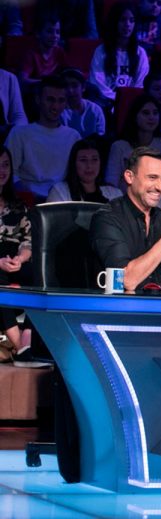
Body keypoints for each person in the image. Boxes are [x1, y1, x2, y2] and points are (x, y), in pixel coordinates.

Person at [90, 146, 161, 292]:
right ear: (129, 177)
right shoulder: (107, 218)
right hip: (116, 304)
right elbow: (126, 281)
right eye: (152, 178)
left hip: (156, 303)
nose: (160, 187)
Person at [0, 146, 43, 367]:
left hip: (14, 259)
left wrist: (21, 258)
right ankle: (20, 347)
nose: (2, 170)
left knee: (40, 273)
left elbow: (28, 241)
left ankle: (27, 338)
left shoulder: (19, 205)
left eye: (6, 165)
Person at [4, 75, 80, 200]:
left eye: (61, 100)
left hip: (62, 199)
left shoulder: (73, 136)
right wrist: (27, 195)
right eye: (50, 100)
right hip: (26, 200)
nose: (55, 106)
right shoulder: (19, 134)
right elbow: (10, 172)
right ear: (38, 99)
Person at [105, 94, 161, 188]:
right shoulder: (119, 146)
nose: (151, 117)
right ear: (134, 116)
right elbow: (111, 183)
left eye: (155, 113)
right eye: (146, 113)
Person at [88, 2, 150, 105]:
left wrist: (127, 99)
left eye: (131, 20)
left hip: (132, 103)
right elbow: (97, 83)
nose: (127, 24)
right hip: (105, 102)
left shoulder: (140, 53)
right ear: (114, 22)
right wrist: (117, 99)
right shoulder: (101, 51)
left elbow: (141, 83)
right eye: (123, 20)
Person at [46, 139, 122, 203]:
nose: (89, 165)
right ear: (74, 163)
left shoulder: (115, 194)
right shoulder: (60, 191)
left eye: (94, 159)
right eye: (83, 160)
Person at [19, 14, 65, 86]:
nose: (55, 36)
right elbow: (22, 80)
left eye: (57, 32)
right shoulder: (31, 54)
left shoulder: (59, 52)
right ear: (38, 34)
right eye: (49, 31)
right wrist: (46, 83)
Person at [60, 67, 106, 138]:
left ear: (83, 87)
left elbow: (100, 137)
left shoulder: (95, 110)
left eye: (74, 86)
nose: (70, 90)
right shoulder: (60, 111)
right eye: (66, 86)